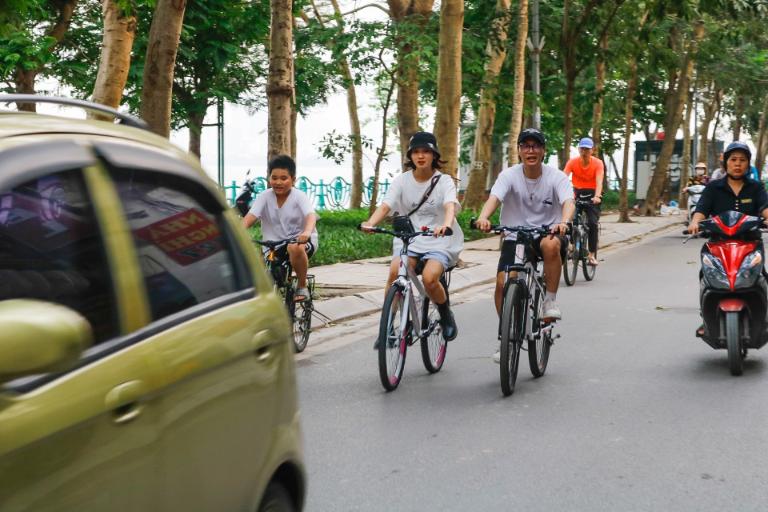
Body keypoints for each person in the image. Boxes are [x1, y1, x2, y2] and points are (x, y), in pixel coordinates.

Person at [474, 128, 574, 362]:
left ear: (543, 151)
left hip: (547, 232)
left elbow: (568, 202)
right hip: (515, 236)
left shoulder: (556, 177)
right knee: (502, 284)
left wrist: (563, 222)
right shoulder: (508, 176)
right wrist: (484, 217)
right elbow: (494, 198)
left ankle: (549, 300)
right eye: (525, 146)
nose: (531, 150)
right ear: (519, 151)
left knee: (550, 246)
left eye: (536, 146)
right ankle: (506, 335)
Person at [362, 131, 463, 341]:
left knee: (429, 278)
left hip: (439, 239)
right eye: (416, 152)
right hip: (409, 237)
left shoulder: (444, 181)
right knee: (394, 271)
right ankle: (388, 325)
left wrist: (445, 224)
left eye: (426, 151)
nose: (421, 156)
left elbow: (449, 206)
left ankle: (445, 315)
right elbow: (386, 205)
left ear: (434, 155)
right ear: (410, 156)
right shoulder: (402, 181)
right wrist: (371, 223)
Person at [243, 154, 318, 302]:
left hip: (301, 241)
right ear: (269, 178)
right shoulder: (264, 196)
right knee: (261, 274)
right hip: (272, 245)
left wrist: (307, 232)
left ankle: (301, 286)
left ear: (293, 179)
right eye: (274, 177)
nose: (278, 182)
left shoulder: (299, 196)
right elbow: (249, 218)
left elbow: (311, 216)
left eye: (284, 178)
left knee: (294, 247)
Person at [688, 141, 768, 236]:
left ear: (748, 164)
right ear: (726, 163)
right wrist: (695, 222)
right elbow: (702, 209)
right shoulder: (713, 187)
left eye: (742, 160)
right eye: (733, 159)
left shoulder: (756, 187)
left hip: (751, 242)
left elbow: (765, 206)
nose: (738, 164)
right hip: (718, 242)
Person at [563, 136, 604, 266]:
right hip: (577, 192)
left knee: (592, 223)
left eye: (587, 149)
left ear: (592, 150)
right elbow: (563, 178)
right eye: (582, 149)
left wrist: (597, 196)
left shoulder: (598, 163)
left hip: (593, 194)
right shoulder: (572, 162)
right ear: (579, 149)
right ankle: (570, 245)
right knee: (568, 218)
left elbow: (599, 181)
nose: (584, 151)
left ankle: (591, 254)